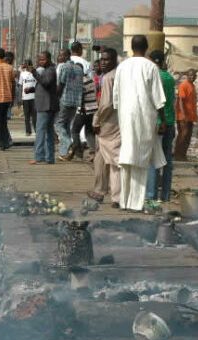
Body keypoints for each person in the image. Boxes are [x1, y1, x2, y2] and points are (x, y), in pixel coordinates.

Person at [113, 35, 167, 211]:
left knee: (128, 157)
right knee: (141, 160)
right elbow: (158, 98)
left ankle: (124, 201)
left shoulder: (122, 67)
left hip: (125, 117)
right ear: (147, 48)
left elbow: (115, 96)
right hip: (144, 117)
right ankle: (136, 203)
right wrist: (163, 120)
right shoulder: (151, 67)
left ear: (131, 46)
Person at [88, 48, 121, 208]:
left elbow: (106, 104)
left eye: (106, 59)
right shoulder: (119, 74)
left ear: (114, 60)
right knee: (107, 158)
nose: (103, 62)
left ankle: (107, 193)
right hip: (120, 120)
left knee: (108, 157)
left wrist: (96, 120)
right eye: (101, 59)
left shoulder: (108, 77)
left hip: (108, 121)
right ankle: (108, 193)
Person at [146, 50, 176, 203]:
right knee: (167, 161)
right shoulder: (169, 78)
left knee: (153, 161)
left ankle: (151, 196)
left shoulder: (153, 77)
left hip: (157, 123)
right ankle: (165, 195)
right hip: (170, 123)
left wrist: (159, 121)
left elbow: (157, 103)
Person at [28, 51, 58, 165]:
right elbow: (44, 86)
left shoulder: (50, 70)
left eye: (43, 59)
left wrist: (34, 73)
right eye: (39, 59)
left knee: (40, 131)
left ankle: (39, 156)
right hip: (46, 105)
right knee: (49, 132)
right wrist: (31, 89)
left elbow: (45, 82)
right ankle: (49, 157)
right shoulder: (46, 70)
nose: (41, 62)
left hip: (46, 106)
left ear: (49, 59)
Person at [55, 48, 83, 161]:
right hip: (76, 101)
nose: (59, 57)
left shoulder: (64, 67)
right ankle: (64, 153)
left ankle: (70, 143)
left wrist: (56, 98)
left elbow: (61, 85)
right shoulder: (78, 68)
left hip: (64, 100)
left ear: (67, 56)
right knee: (66, 126)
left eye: (61, 55)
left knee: (58, 125)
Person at [69, 60, 99, 161]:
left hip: (84, 110)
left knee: (74, 131)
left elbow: (80, 97)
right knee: (89, 132)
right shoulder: (89, 79)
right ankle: (94, 153)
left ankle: (78, 153)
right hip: (93, 109)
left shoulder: (79, 81)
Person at [175, 69, 198, 161]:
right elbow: (180, 100)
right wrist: (183, 114)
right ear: (187, 75)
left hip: (190, 116)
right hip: (183, 116)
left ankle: (183, 155)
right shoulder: (184, 85)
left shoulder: (192, 85)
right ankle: (178, 155)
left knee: (187, 136)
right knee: (182, 135)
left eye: (193, 75)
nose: (192, 77)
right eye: (190, 75)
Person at [19, 59, 37, 136]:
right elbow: (20, 85)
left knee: (34, 116)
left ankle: (36, 130)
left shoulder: (35, 73)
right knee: (27, 116)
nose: (28, 66)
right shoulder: (22, 74)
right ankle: (28, 131)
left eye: (29, 64)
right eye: (27, 64)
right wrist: (20, 97)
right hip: (25, 97)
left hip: (34, 97)